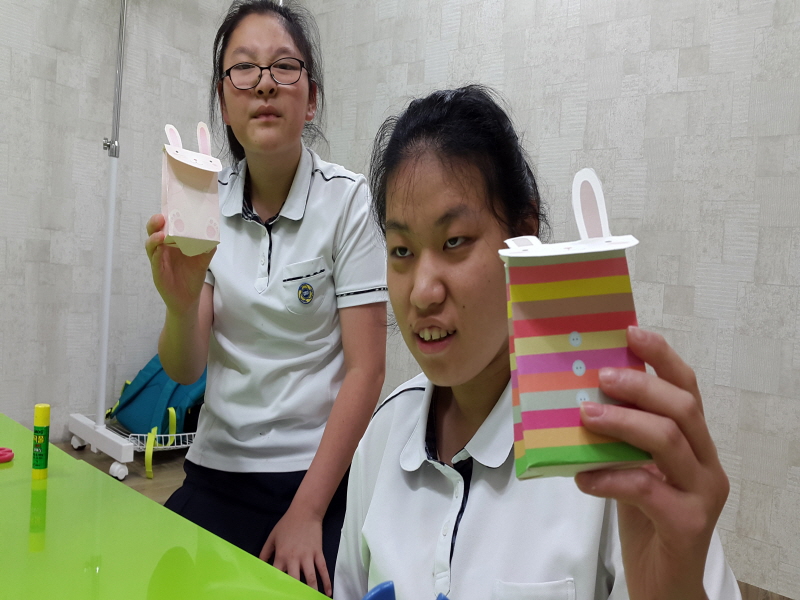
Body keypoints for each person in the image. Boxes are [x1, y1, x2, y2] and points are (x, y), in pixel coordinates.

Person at [334, 85, 740, 600]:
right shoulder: (384, 435)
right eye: (401, 250)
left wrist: (674, 590)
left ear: (522, 235)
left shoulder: (614, 446)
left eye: (454, 241)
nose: (422, 291)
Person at [144, 1, 387, 596]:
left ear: (312, 98)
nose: (264, 85)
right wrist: (179, 304)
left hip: (317, 476)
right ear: (223, 101)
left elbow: (367, 370)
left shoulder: (349, 202)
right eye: (244, 69)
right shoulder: (203, 201)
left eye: (284, 66)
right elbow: (185, 367)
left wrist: (306, 513)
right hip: (216, 467)